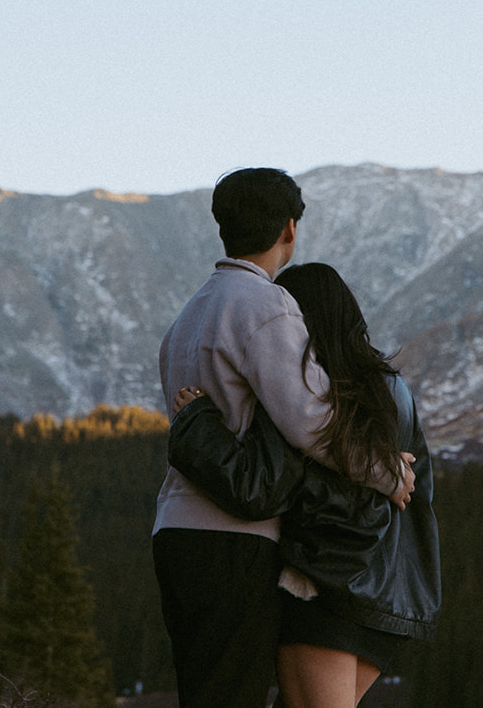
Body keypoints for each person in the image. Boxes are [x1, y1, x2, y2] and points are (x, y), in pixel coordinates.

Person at [151, 169, 415, 708]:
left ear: (223, 228)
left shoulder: (187, 315)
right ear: (289, 230)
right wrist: (387, 474)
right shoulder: (265, 305)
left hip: (175, 529)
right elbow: (312, 421)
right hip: (234, 537)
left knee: (206, 690)